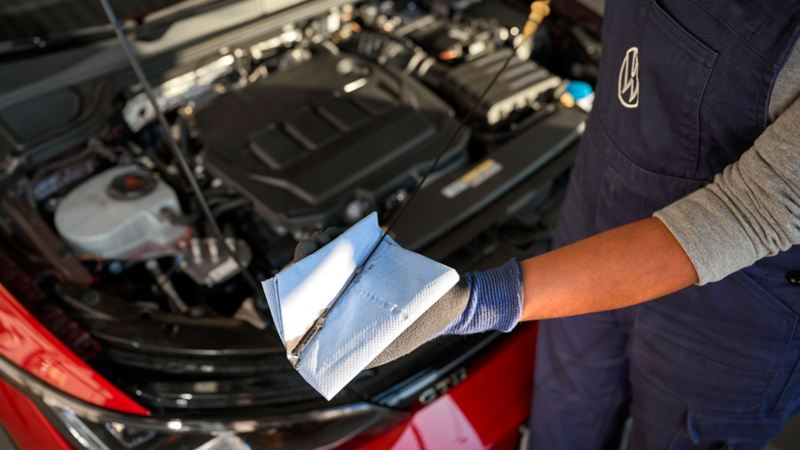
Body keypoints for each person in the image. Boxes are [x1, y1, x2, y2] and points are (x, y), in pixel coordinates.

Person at [295, 1, 800, 447]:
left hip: (738, 299)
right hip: (599, 205)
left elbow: (755, 208)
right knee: (565, 410)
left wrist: (474, 303)